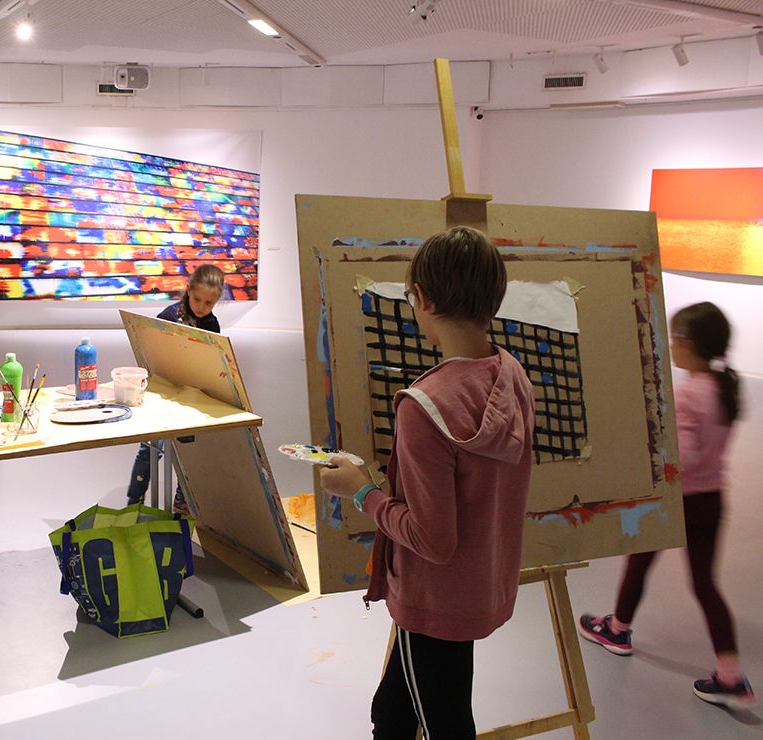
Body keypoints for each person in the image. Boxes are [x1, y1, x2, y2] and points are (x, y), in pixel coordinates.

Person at [319, 226, 535, 739]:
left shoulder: (425, 407)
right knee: (393, 713)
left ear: (423, 298)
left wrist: (361, 491)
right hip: (480, 585)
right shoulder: (512, 375)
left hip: (435, 601)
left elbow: (433, 539)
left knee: (444, 722)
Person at [579, 302, 755, 710]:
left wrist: (652, 456)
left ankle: (618, 630)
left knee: (639, 560)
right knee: (705, 583)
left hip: (675, 502)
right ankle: (730, 674)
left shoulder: (690, 394)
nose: (671, 345)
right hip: (712, 499)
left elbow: (684, 456)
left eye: (674, 338)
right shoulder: (722, 387)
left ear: (689, 344)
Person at [126, 264, 226, 512]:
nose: (201, 307)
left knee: (187, 452)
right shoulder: (168, 318)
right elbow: (152, 356)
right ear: (188, 290)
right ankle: (134, 503)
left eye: (208, 303)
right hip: (163, 395)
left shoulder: (212, 326)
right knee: (150, 450)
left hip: (192, 398)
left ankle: (181, 500)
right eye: (197, 299)